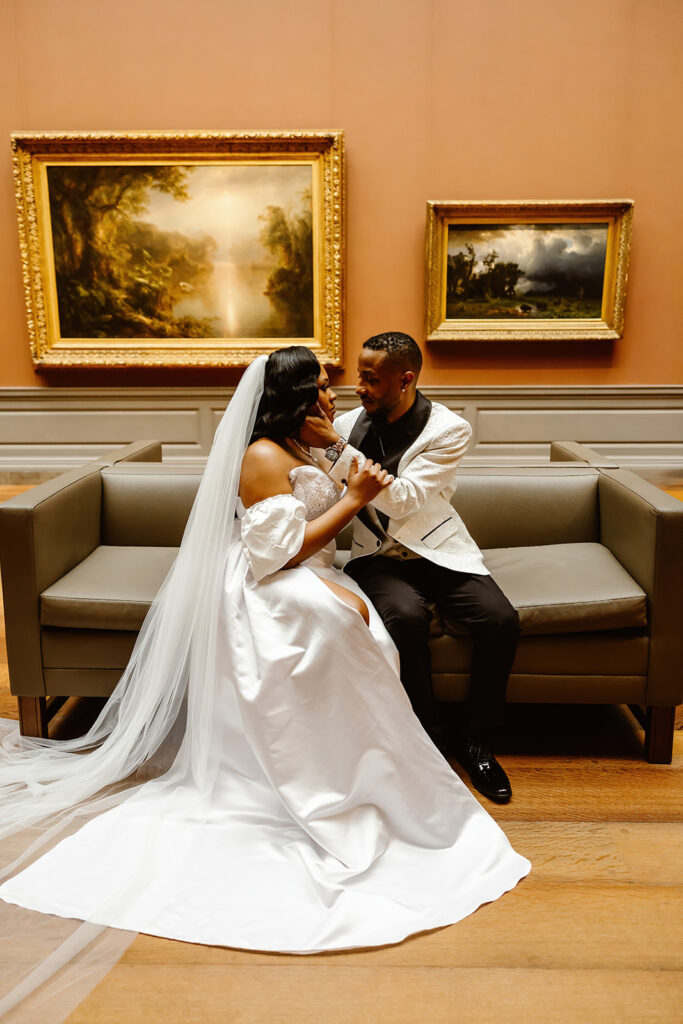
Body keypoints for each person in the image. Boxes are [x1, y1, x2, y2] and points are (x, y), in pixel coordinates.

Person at [0, 347, 529, 1008]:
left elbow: (365, 505)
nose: (337, 396)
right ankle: (325, 781)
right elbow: (271, 556)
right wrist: (353, 497)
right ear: (296, 397)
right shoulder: (262, 456)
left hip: (320, 563)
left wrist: (343, 484)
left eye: (340, 385)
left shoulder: (315, 440)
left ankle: (374, 770)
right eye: (324, 387)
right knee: (340, 629)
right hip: (269, 578)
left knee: (372, 628)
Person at [310, 332, 520, 803]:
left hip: (438, 550)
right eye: (359, 375)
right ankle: (429, 738)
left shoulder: (448, 430)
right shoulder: (345, 424)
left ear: (405, 380)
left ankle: (477, 741)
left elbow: (402, 500)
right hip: (375, 556)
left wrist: (336, 449)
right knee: (404, 619)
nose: (358, 387)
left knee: (501, 620)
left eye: (371, 379)